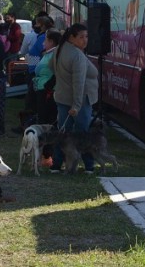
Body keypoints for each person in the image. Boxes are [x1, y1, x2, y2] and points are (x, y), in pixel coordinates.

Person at [50, 23, 98, 174]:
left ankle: (57, 164)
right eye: (81, 37)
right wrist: (77, 105)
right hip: (80, 101)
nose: (85, 40)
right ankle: (89, 166)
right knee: (82, 134)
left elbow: (52, 68)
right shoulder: (77, 55)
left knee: (62, 132)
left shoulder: (59, 49)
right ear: (72, 37)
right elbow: (79, 83)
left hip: (62, 97)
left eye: (87, 37)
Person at [32, 29, 62, 125]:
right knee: (40, 112)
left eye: (45, 41)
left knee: (46, 115)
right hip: (42, 86)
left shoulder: (55, 53)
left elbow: (57, 72)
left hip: (47, 88)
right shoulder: (48, 52)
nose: (43, 43)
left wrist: (48, 84)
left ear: (51, 42)